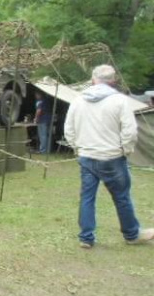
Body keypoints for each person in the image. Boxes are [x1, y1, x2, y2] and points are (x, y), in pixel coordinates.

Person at [64, 64, 153, 248]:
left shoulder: (78, 100)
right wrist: (125, 150)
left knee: (87, 197)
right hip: (112, 156)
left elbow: (69, 129)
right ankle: (131, 234)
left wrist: (77, 148)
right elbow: (130, 131)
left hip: (87, 156)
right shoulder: (120, 101)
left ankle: (86, 237)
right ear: (113, 81)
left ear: (93, 78)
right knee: (122, 197)